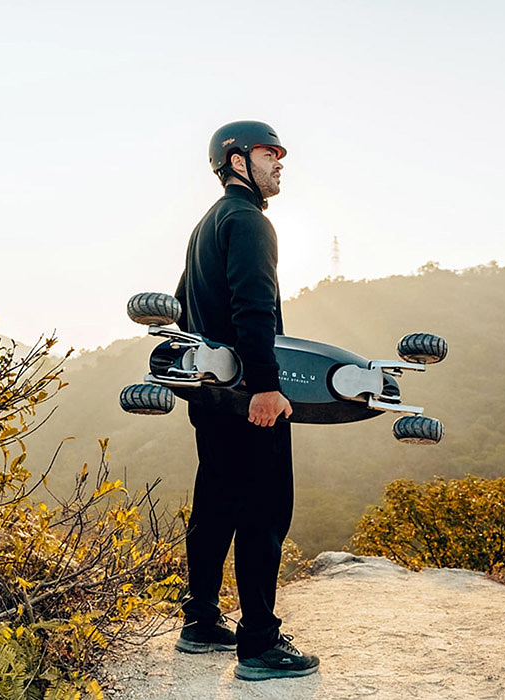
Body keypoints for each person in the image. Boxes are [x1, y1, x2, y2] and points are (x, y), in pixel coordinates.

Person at [171, 120, 320, 681]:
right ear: (237, 162)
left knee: (214, 505)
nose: (280, 161)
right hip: (248, 397)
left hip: (209, 398)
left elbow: (183, 307)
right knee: (265, 511)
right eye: (268, 152)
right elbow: (254, 308)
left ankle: (202, 621)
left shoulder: (207, 225)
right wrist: (264, 384)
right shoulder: (250, 222)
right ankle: (259, 644)